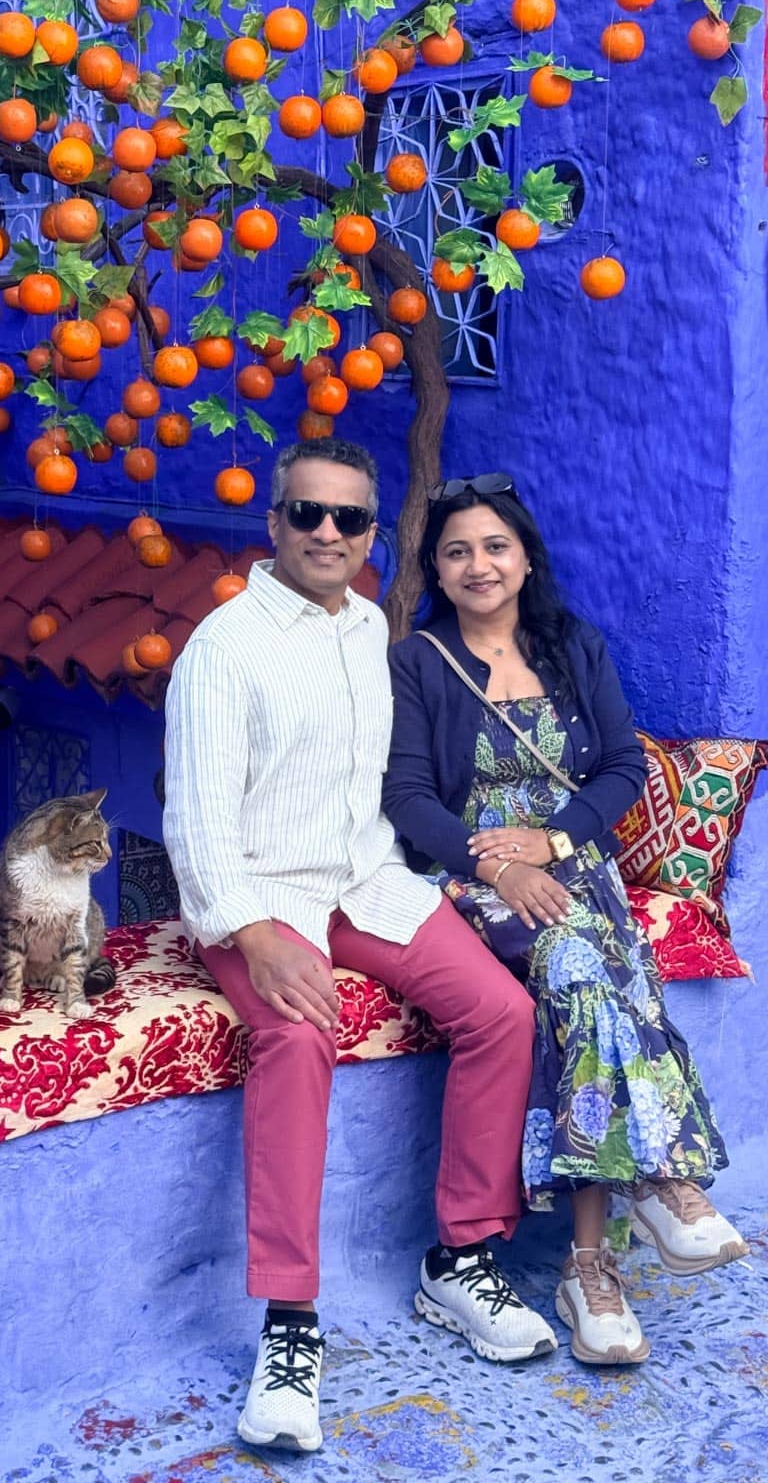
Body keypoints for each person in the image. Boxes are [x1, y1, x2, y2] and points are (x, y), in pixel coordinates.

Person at [163, 438, 558, 1457]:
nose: (328, 534)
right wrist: (256, 934)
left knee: (503, 1010)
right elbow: (196, 828)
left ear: (374, 536)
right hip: (259, 893)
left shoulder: (369, 630)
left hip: (367, 883)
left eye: (348, 519)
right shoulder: (225, 645)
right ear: (275, 524)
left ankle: (460, 1256)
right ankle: (291, 1324)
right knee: (298, 1037)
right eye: (308, 514)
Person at [384, 472, 747, 1368]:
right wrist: (494, 863)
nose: (479, 565)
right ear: (437, 566)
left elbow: (620, 765)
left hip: (570, 864)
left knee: (598, 980)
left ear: (525, 556)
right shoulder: (417, 661)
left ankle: (594, 1265)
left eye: (495, 546)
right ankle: (656, 1193)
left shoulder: (572, 644)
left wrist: (549, 841)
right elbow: (407, 796)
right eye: (458, 551)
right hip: (468, 877)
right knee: (587, 972)